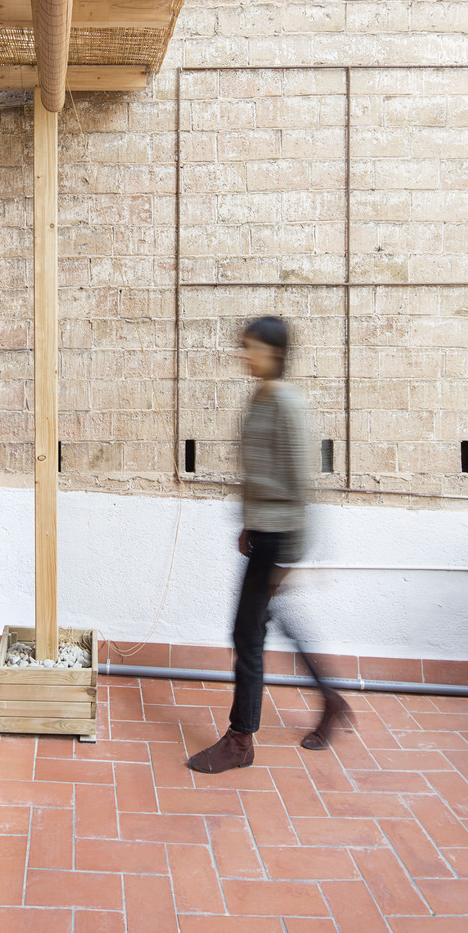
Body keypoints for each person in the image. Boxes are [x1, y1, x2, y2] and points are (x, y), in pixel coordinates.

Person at [186, 316, 350, 773]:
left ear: (274, 353)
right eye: (244, 346)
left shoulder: (288, 405)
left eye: (252, 347)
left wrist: (290, 555)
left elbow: (301, 483)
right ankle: (332, 699)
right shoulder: (259, 398)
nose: (245, 354)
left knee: (246, 631)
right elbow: (256, 470)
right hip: (263, 532)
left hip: (281, 536)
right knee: (266, 620)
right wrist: (247, 525)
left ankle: (241, 741)